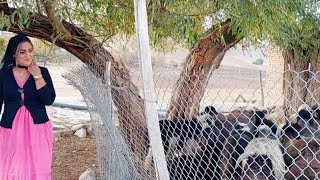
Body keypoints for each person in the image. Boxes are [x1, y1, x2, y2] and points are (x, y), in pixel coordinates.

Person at [0, 34, 56, 179]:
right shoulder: (3, 75)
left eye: (30, 51)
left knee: (38, 169)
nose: (28, 56)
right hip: (10, 131)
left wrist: (37, 76)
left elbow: (48, 99)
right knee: (13, 169)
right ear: (14, 54)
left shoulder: (42, 72)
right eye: (22, 52)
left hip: (38, 129)